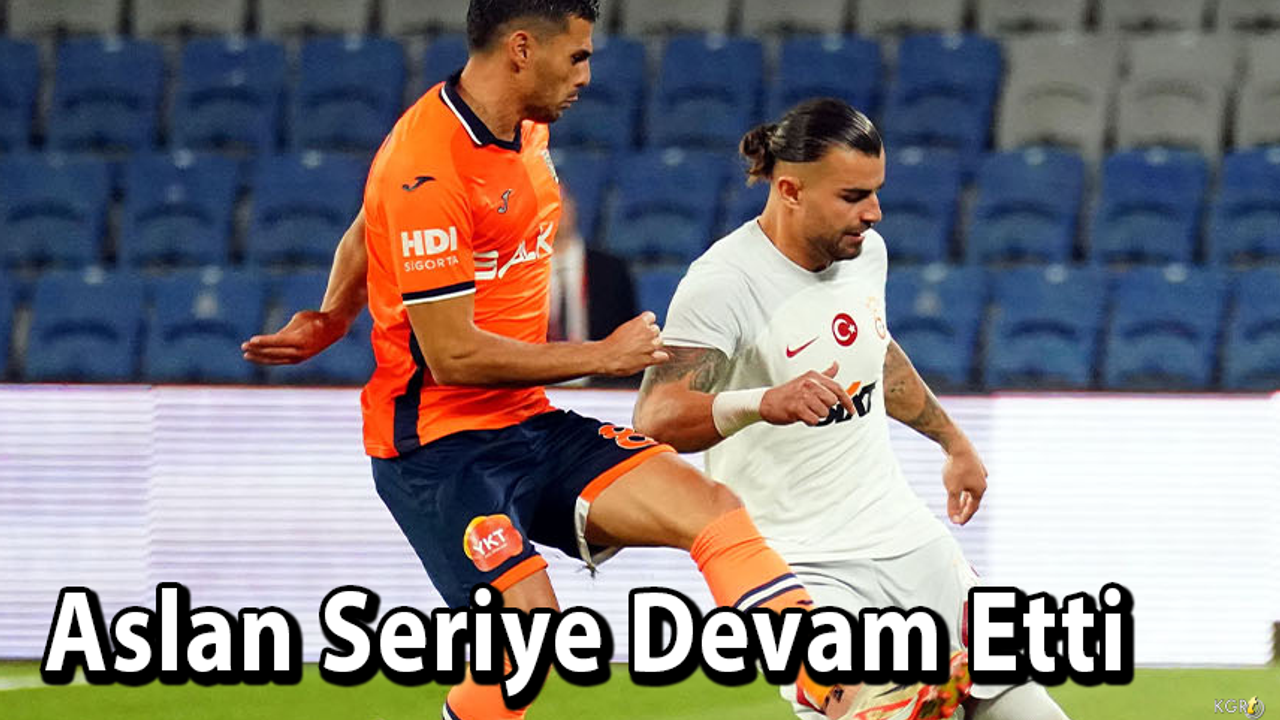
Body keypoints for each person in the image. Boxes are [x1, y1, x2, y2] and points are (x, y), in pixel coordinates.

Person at [241, 3, 967, 719]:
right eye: (578, 55)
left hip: (525, 424)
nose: (587, 74)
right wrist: (602, 355)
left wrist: (333, 313)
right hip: (435, 449)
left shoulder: (521, 128)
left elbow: (370, 221)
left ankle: (831, 686)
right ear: (522, 49)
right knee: (525, 646)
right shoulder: (427, 165)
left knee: (712, 510)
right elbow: (451, 354)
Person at [634, 98, 1072, 720]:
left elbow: (877, 353)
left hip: (908, 540)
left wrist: (952, 441)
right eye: (853, 196)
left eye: (876, 192)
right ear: (790, 190)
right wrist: (764, 401)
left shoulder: (866, 254)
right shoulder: (724, 283)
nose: (874, 212)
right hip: (803, 568)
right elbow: (656, 416)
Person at [548, 189, 638, 345]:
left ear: (573, 206)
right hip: (541, 359)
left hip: (603, 359)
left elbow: (629, 337)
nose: (558, 209)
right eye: (549, 203)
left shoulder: (612, 270)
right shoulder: (521, 272)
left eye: (562, 201)